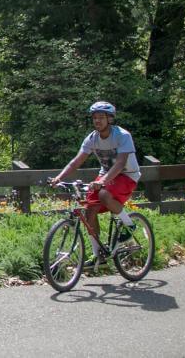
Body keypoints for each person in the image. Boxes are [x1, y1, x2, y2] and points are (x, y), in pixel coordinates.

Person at [49, 101, 141, 266]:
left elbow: (120, 164)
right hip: (106, 176)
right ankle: (98, 255)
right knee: (89, 209)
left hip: (127, 175)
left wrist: (103, 181)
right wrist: (59, 177)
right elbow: (76, 162)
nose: (97, 121)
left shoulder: (122, 135)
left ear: (109, 119)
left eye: (101, 117)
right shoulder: (92, 138)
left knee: (104, 194)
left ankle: (129, 225)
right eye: (94, 118)